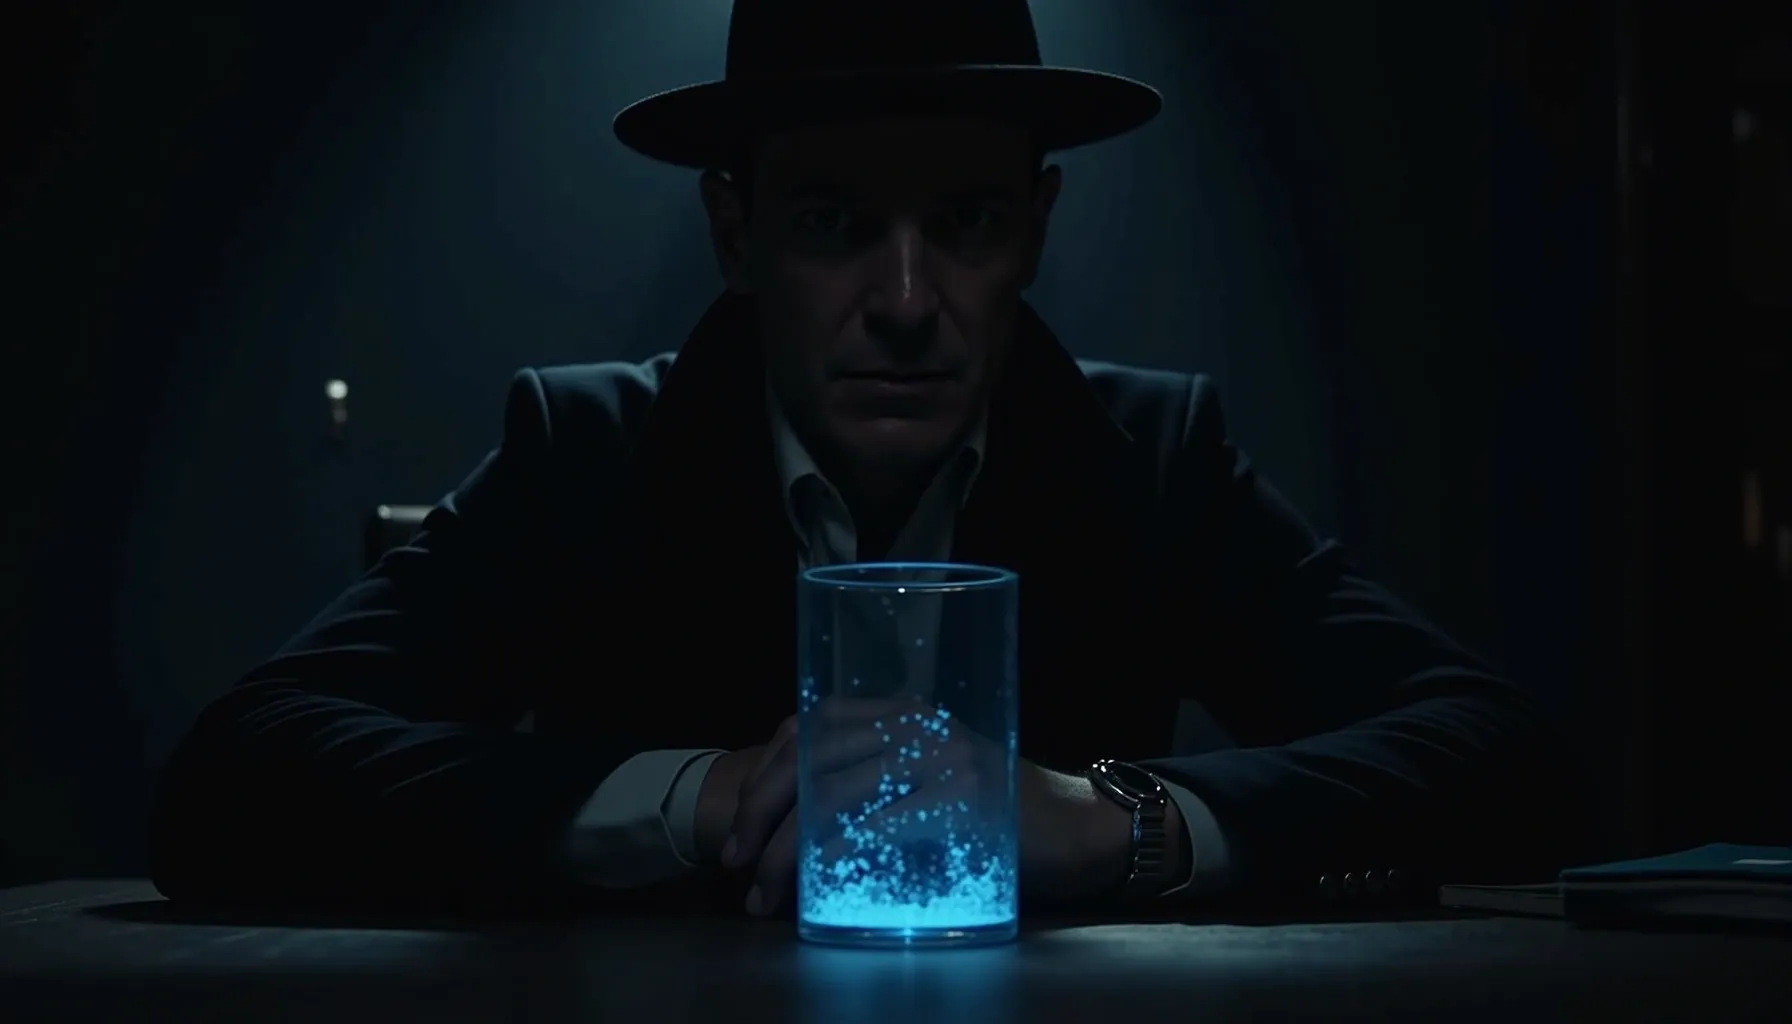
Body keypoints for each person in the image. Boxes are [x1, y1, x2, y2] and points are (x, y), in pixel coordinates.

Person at [150, 0, 1572, 918]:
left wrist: (1111, 821)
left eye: (965, 222)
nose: (903, 299)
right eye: (835, 222)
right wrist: (694, 799)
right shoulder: (586, 455)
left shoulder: (1152, 458)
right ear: (737, 236)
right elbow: (235, 780)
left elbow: (1505, 762)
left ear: (1036, 229)